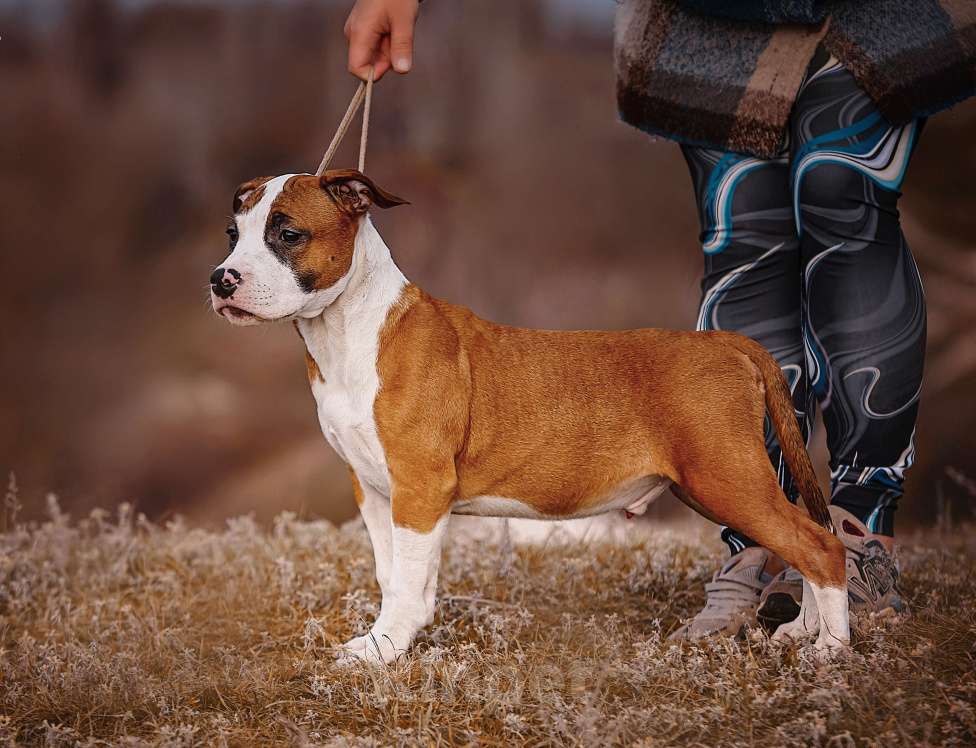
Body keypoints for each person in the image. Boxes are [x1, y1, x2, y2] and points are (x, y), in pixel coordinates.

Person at [342, 0, 976, 638]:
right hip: (712, 24)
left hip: (877, 15)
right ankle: (762, 540)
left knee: (844, 203)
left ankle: (857, 528)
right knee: (744, 242)